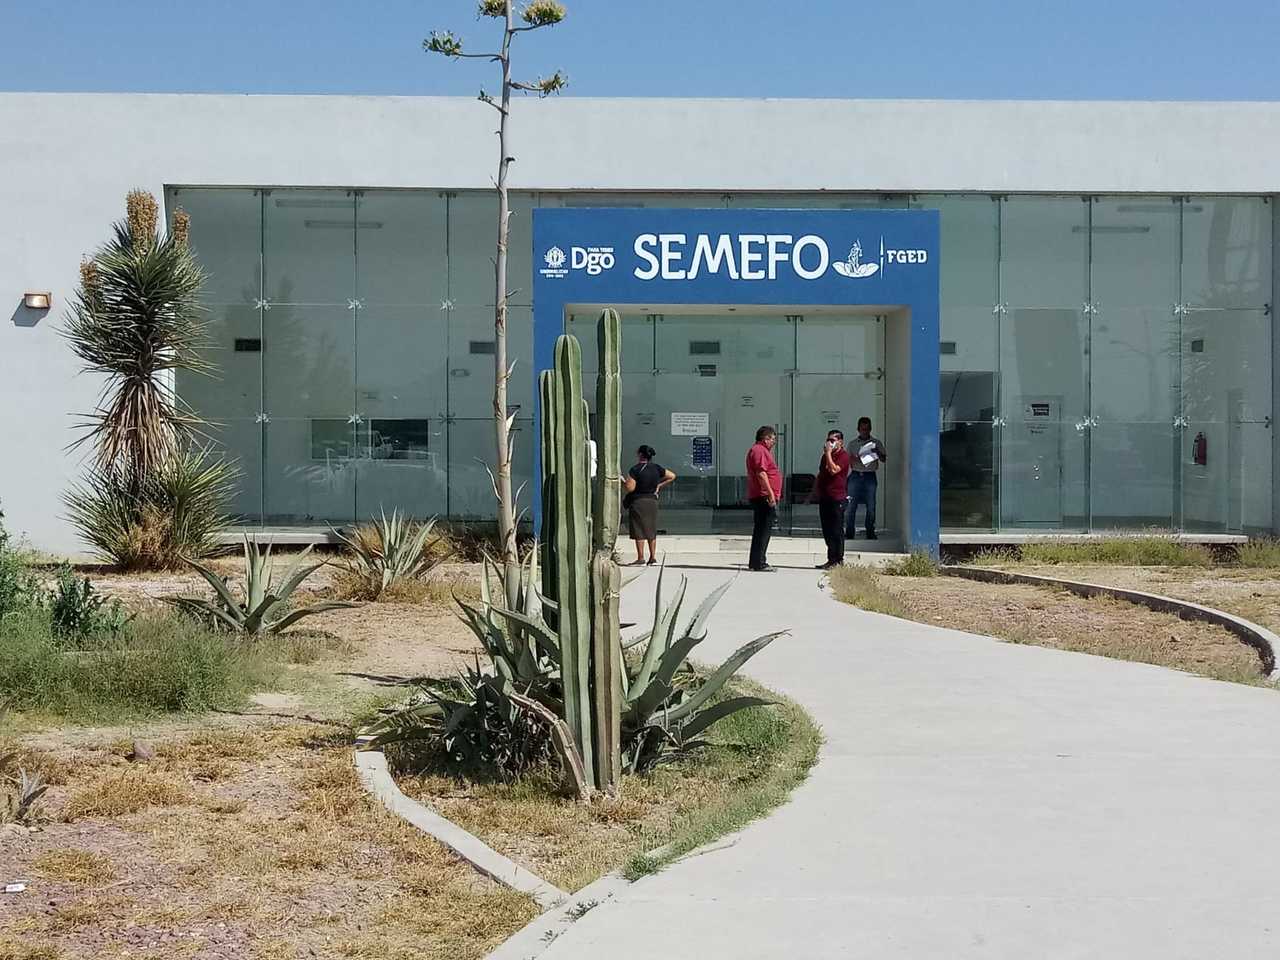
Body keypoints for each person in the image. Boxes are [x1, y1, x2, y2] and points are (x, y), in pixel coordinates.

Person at [623, 445, 675, 566]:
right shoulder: (657, 468)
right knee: (651, 529)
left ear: (640, 454)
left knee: (639, 530)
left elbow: (630, 488)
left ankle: (641, 557)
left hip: (638, 501)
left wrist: (623, 482)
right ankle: (652, 557)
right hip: (652, 501)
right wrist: (659, 486)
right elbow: (672, 476)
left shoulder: (635, 469)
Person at [810, 429, 851, 569]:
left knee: (836, 530)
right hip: (825, 497)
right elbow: (821, 474)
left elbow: (834, 470)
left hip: (837, 498)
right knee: (827, 530)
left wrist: (828, 453)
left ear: (840, 442)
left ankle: (838, 560)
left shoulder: (843, 456)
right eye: (828, 440)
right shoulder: (825, 457)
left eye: (833, 440)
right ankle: (831, 558)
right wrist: (815, 491)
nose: (829, 443)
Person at [745, 425, 783, 572]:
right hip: (763, 496)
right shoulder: (759, 451)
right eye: (773, 439)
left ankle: (756, 561)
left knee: (761, 529)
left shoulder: (760, 451)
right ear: (766, 438)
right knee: (763, 530)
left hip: (763, 495)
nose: (774, 442)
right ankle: (759, 562)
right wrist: (770, 493)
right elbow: (761, 473)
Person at [846, 416, 888, 541]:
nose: (865, 431)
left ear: (870, 429)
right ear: (858, 429)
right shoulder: (852, 444)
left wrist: (877, 452)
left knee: (871, 505)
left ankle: (870, 531)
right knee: (851, 505)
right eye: (862, 429)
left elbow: (884, 459)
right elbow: (847, 459)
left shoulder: (876, 442)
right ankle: (849, 532)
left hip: (870, 476)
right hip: (856, 474)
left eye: (867, 429)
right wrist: (856, 459)